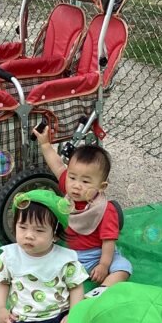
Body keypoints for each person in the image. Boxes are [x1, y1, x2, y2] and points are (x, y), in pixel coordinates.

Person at [34, 124, 132, 293]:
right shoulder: (69, 191)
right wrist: (45, 144)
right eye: (72, 177)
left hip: (97, 254)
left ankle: (100, 292)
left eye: (85, 181)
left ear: (101, 186)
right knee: (45, 264)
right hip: (70, 254)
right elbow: (58, 166)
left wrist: (103, 265)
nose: (76, 185)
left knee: (124, 267)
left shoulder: (104, 209)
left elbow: (108, 241)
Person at [0, 189, 89, 323]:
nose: (29, 235)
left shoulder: (64, 259)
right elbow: (2, 282)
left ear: (55, 235)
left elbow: (76, 287)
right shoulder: (10, 257)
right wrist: (0, 308)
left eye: (39, 230)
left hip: (60, 317)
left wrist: (73, 314)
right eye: (22, 227)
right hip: (26, 320)